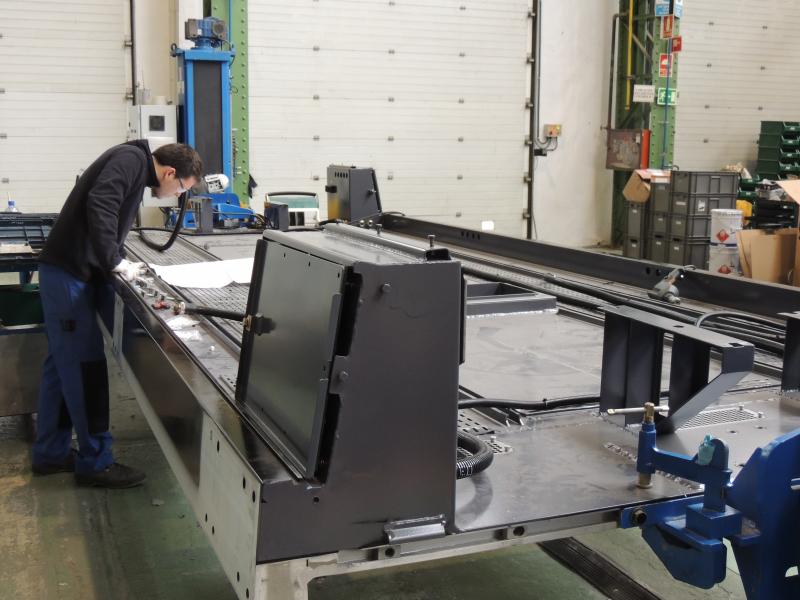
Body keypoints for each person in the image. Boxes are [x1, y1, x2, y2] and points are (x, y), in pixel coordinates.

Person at [32, 141, 202, 488]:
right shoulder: (131, 160)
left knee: (61, 368)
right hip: (69, 277)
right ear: (170, 173)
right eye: (182, 188)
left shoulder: (135, 167)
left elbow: (110, 218)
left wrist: (119, 259)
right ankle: (95, 463)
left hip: (68, 273)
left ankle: (50, 453)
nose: (178, 195)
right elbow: (101, 204)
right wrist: (115, 261)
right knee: (85, 369)